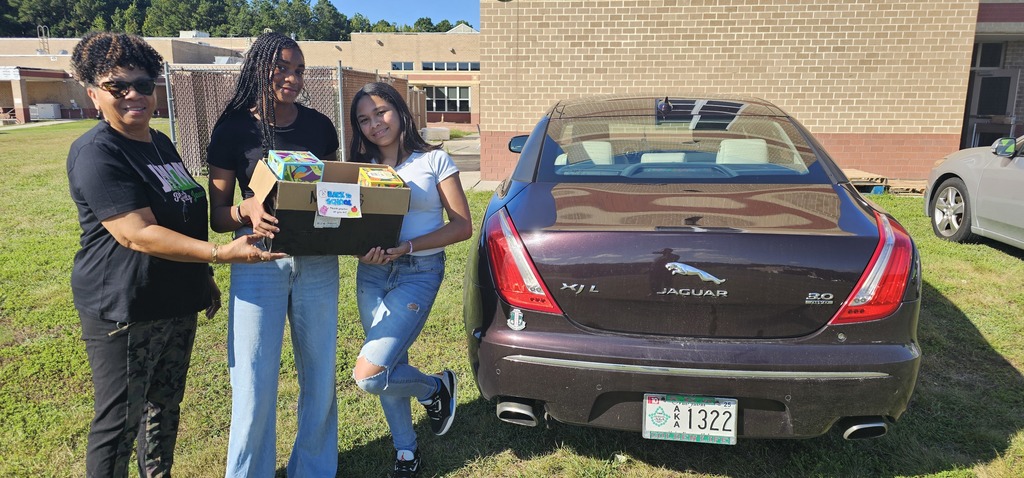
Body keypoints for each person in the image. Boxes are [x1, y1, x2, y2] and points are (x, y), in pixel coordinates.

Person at [67, 31, 282, 478]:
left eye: (143, 84)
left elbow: (183, 213)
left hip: (175, 302)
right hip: (126, 306)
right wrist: (220, 253)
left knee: (163, 407)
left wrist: (201, 276)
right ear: (93, 93)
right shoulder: (97, 152)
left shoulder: (160, 143)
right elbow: (137, 234)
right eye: (117, 86)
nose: (133, 95)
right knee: (119, 422)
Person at [206, 32, 341, 477]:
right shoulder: (232, 129)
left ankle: (315, 469)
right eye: (282, 67)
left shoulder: (320, 127)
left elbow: (336, 195)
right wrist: (247, 210)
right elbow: (219, 216)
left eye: (299, 70)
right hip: (258, 261)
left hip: (317, 261)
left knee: (320, 376)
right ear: (259, 67)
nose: (292, 77)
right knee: (252, 382)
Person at [349, 82, 473, 478]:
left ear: (401, 112)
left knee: (372, 373)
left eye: (381, 112)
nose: (374, 124)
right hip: (371, 273)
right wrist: (355, 247)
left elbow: (462, 226)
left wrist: (409, 246)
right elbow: (343, 222)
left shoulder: (434, 160)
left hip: (419, 272)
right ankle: (407, 451)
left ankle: (434, 389)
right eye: (364, 119)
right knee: (390, 361)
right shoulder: (358, 168)